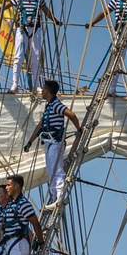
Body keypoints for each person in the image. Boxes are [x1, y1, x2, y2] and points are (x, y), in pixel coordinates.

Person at [23, 79, 81, 208]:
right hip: (48, 144)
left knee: (56, 170)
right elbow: (40, 126)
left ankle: (60, 196)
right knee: (51, 172)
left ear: (48, 91)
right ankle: (54, 197)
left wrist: (79, 129)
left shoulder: (55, 104)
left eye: (43, 89)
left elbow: (71, 115)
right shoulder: (48, 106)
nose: (42, 91)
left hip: (55, 142)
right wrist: (30, 142)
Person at [6, 0, 59, 93]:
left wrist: (55, 20)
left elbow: (45, 9)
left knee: (36, 57)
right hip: (22, 29)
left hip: (35, 29)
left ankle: (36, 85)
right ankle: (15, 84)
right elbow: (6, 5)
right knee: (18, 56)